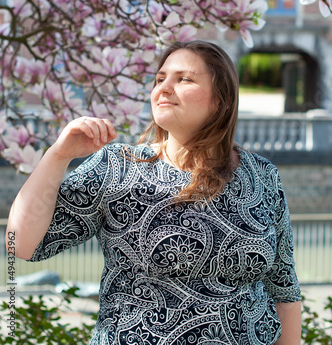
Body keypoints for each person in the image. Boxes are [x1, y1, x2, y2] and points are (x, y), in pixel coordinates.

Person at [6, 40, 302, 345]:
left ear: (221, 101)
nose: (164, 88)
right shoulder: (116, 168)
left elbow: (284, 289)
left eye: (183, 79)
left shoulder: (262, 174)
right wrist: (58, 155)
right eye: (160, 79)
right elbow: (22, 244)